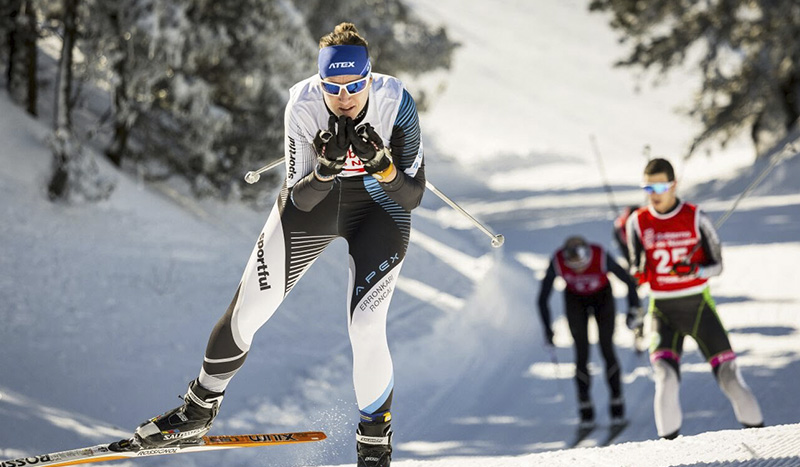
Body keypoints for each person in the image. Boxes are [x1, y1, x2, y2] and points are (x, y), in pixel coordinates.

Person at [132, 23, 425, 467]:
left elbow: (413, 195)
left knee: (366, 326)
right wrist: (325, 170)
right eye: (333, 86)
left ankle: (374, 442)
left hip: (379, 210)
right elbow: (300, 197)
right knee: (249, 308)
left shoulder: (396, 102)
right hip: (315, 205)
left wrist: (383, 167)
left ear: (370, 77)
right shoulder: (303, 104)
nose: (344, 97)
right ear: (319, 81)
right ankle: (197, 409)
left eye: (354, 86)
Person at [625, 158, 763, 439]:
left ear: (673, 184)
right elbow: (635, 262)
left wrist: (694, 270)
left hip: (698, 306)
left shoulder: (696, 216)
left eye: (660, 186)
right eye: (647, 187)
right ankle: (670, 451)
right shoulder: (636, 222)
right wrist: (637, 272)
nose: (654, 193)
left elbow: (719, 265)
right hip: (661, 310)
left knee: (729, 378)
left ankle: (762, 438)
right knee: (664, 378)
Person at [537, 236, 642, 432]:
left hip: (602, 298)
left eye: (582, 265)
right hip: (575, 300)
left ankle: (617, 406)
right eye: (574, 267)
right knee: (581, 352)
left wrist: (633, 310)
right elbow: (542, 298)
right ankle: (586, 411)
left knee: (606, 348)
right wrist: (547, 328)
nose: (578, 270)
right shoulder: (558, 260)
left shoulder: (600, 255)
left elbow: (629, 281)